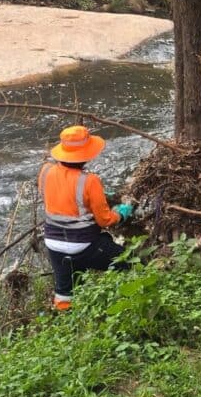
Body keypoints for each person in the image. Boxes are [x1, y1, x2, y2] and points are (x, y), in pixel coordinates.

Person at [38, 125, 134, 310]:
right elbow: (105, 220)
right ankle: (124, 303)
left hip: (53, 242)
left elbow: (61, 196)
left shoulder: (45, 171)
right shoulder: (90, 180)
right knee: (128, 262)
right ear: (86, 154)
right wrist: (121, 214)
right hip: (84, 244)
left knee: (64, 292)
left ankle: (65, 319)